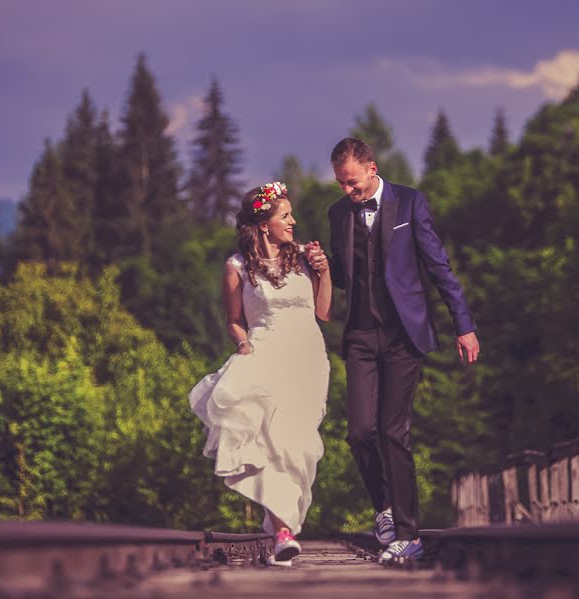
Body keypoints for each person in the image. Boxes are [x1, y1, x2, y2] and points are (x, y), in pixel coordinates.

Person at [322, 138, 479, 562]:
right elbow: (342, 275)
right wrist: (320, 264)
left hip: (403, 337)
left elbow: (437, 266)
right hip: (359, 334)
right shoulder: (338, 214)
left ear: (372, 168)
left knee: (394, 431)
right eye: (340, 184)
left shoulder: (410, 204)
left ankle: (409, 536)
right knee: (358, 431)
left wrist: (463, 325)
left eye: (352, 183)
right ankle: (384, 509)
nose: (347, 192)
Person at [189, 182, 332, 566]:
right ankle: (284, 531)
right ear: (264, 224)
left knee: (299, 444)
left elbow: (323, 312)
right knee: (271, 440)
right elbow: (234, 320)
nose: (293, 221)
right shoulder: (236, 267)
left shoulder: (304, 256)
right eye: (285, 216)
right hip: (265, 352)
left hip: (307, 356)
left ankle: (281, 523)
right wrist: (242, 344)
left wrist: (324, 271)